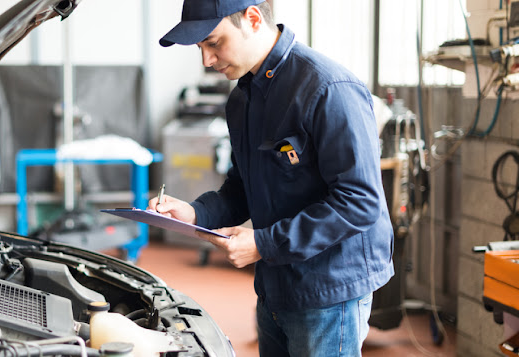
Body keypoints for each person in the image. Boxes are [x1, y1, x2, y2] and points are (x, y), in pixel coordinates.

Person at [149, 0, 395, 356]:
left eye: (214, 42)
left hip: (329, 289)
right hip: (275, 285)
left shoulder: (328, 88)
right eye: (200, 48)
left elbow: (360, 201)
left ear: (252, 18)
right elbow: (242, 186)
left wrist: (265, 244)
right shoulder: (242, 101)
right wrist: (195, 213)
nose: (206, 60)